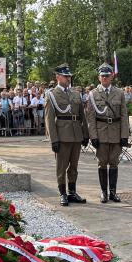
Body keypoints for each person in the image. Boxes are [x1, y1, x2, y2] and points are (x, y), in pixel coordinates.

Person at [45, 63, 89, 206]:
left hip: (76, 135)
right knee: (61, 167)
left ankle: (72, 192)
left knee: (74, 166)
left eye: (69, 76)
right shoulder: (52, 95)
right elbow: (49, 119)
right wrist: (53, 140)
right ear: (58, 77)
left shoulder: (75, 93)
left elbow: (82, 116)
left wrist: (85, 134)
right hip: (62, 136)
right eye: (65, 76)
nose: (68, 78)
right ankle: (62, 193)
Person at [86, 63, 129, 203]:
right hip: (101, 133)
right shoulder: (93, 94)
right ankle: (103, 192)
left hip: (116, 133)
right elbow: (91, 118)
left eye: (107, 75)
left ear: (112, 76)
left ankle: (113, 192)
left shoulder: (120, 93)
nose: (105, 78)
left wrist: (124, 136)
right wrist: (93, 136)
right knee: (102, 163)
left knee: (114, 163)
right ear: (99, 77)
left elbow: (124, 116)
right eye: (102, 75)